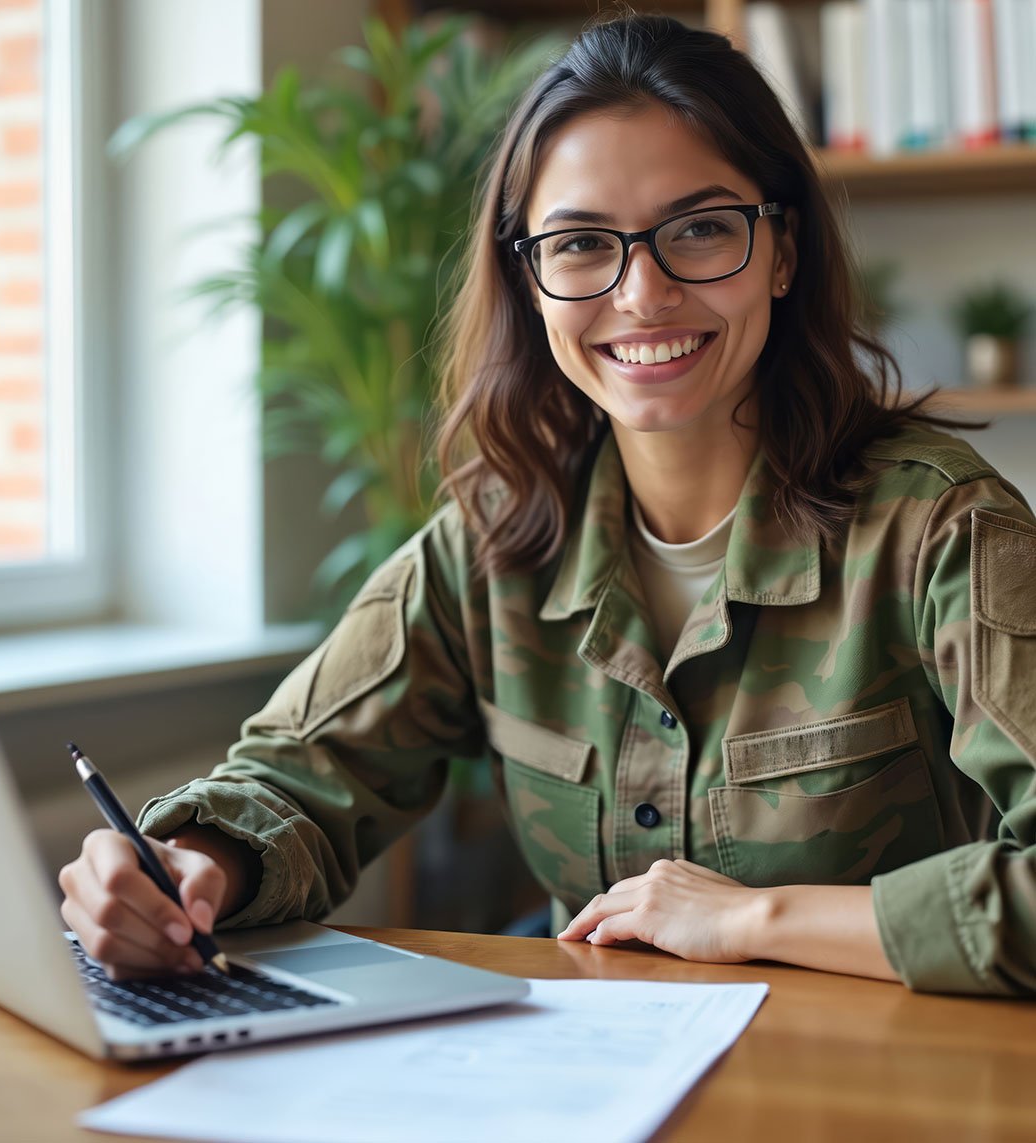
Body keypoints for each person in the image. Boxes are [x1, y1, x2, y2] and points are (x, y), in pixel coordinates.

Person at [59, 11, 1036, 996]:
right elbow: (296, 777)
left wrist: (755, 916)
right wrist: (188, 872)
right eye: (579, 244)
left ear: (783, 252)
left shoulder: (947, 533)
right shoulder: (494, 537)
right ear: (530, 280)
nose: (643, 294)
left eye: (700, 229)